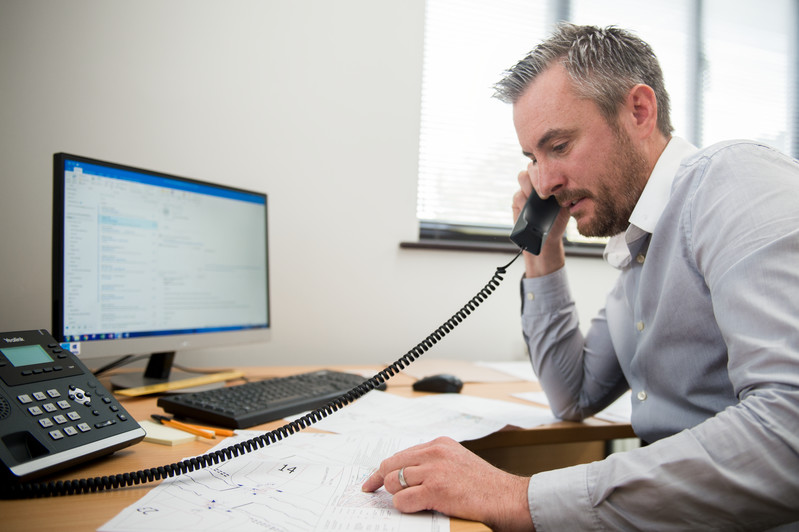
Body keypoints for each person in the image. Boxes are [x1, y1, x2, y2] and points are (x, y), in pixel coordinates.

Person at [363, 23, 799, 530]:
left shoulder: (735, 184)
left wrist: (519, 496)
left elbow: (789, 432)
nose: (543, 183)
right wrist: (542, 252)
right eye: (532, 158)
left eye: (560, 146)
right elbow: (573, 394)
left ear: (639, 111)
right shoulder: (640, 247)